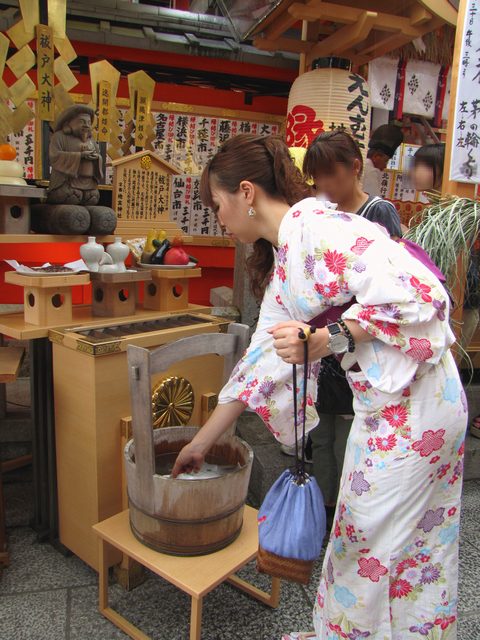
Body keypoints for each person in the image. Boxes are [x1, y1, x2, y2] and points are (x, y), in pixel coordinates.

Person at [172, 134, 466, 638]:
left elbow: (425, 296)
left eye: (218, 205)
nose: (219, 219)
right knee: (416, 543)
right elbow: (261, 360)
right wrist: (202, 441)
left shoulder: (318, 229)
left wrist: (330, 338)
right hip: (413, 403)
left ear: (246, 192)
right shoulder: (291, 254)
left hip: (413, 409)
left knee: (361, 541)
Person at [299, 130, 402, 517]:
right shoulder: (324, 215)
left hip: (358, 341)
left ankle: (350, 514)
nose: (322, 185)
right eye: (316, 177)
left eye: (329, 174)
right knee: (320, 434)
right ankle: (322, 508)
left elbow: (391, 283)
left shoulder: (378, 212)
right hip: (325, 342)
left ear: (354, 167)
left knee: (348, 436)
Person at [413, 142, 480, 437]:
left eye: (421, 165)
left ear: (438, 169)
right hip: (435, 307)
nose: (414, 172)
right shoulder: (433, 213)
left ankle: (441, 432)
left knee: (444, 370)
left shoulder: (459, 214)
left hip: (462, 304)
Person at [363, 124, 403, 197]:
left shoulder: (362, 164)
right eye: (385, 161)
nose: (385, 166)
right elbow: (375, 202)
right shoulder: (370, 172)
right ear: (376, 157)